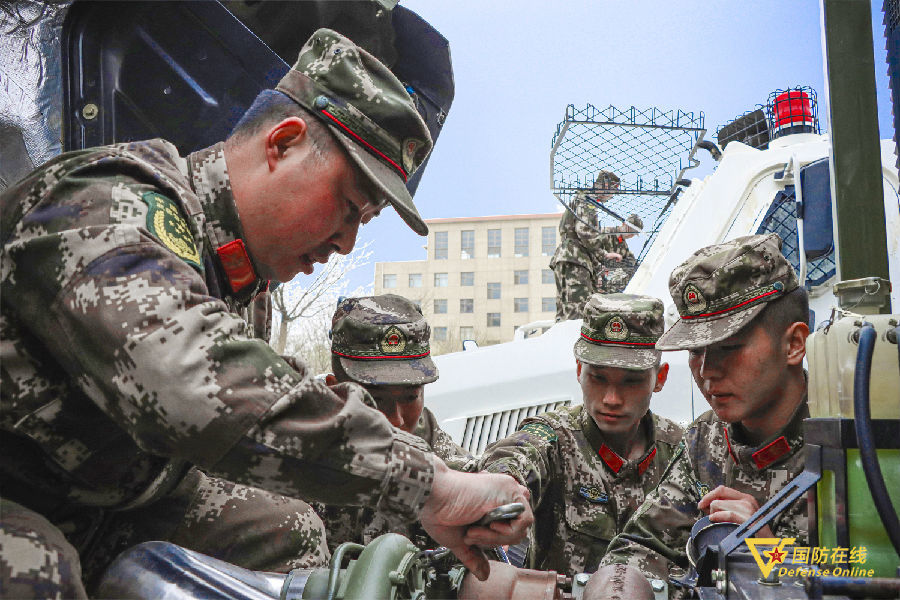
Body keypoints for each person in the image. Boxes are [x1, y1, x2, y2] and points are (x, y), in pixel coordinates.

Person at [0, 28, 530, 598]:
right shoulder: (110, 200)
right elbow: (192, 382)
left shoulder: (239, 284)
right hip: (18, 493)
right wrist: (428, 486)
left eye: (362, 224)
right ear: (283, 143)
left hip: (97, 502)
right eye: (347, 207)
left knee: (282, 529)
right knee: (36, 569)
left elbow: (266, 408)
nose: (346, 243)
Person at [589, 233, 810, 598]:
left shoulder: (859, 441)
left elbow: (871, 570)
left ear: (793, 344)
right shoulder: (706, 438)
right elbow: (643, 547)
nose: (706, 371)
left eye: (729, 348)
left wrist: (774, 557)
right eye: (696, 351)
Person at [477, 293, 684, 576]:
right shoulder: (555, 438)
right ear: (579, 370)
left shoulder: (682, 451)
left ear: (659, 379)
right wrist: (501, 485)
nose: (611, 398)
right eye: (598, 378)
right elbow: (518, 455)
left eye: (631, 381)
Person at [314, 294, 473, 552]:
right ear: (335, 391)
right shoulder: (298, 459)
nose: (397, 418)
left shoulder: (446, 463)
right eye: (376, 399)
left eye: (411, 397)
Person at [551, 170, 624, 321]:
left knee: (564, 311)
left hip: (565, 257)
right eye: (612, 192)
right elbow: (584, 231)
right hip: (576, 260)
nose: (611, 197)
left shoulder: (579, 199)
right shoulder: (588, 201)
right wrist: (603, 254)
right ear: (606, 187)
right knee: (578, 313)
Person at [598, 213, 642, 294]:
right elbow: (593, 249)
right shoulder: (606, 233)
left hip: (606, 281)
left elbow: (632, 262)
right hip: (595, 273)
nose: (631, 235)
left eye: (634, 234)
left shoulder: (624, 246)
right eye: (631, 230)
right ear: (624, 224)